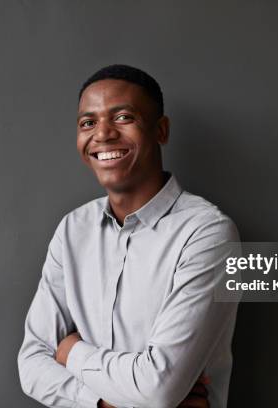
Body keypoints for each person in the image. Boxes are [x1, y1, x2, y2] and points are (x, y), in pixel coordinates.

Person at [17, 64, 240, 408]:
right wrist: (101, 404)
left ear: (161, 130)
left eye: (123, 117)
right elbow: (31, 363)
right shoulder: (72, 231)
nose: (102, 134)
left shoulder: (208, 233)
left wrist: (70, 351)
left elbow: (159, 387)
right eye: (88, 123)